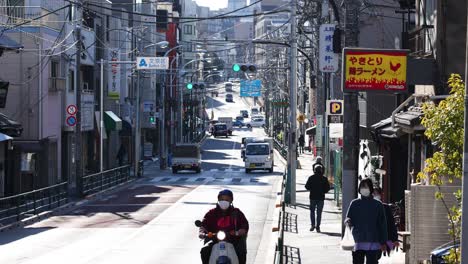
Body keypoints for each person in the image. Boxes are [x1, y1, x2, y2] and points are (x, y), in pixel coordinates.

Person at [199, 189, 249, 264]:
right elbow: (204, 224)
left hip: (233, 241)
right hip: (215, 240)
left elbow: (244, 225)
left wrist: (238, 232)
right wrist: (202, 233)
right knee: (204, 251)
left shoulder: (237, 213)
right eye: (221, 199)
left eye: (227, 199)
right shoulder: (211, 213)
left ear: (231, 201)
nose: (224, 201)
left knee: (241, 253)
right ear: (218, 200)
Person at [345, 178, 388, 264]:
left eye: (366, 186)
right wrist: (347, 221)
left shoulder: (378, 205)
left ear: (370, 188)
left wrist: (383, 242)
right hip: (358, 241)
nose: (363, 188)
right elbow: (348, 218)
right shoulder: (354, 203)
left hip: (373, 241)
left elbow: (382, 224)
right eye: (362, 186)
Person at [373, 187, 399, 259]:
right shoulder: (368, 208)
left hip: (382, 239)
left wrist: (394, 239)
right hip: (371, 238)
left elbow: (391, 224)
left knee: (376, 257)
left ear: (381, 195)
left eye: (377, 193)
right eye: (374, 194)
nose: (375, 195)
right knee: (374, 258)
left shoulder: (386, 207)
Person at [305, 165, 330, 232]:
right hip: (321, 198)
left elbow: (307, 186)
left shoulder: (311, 178)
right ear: (321, 170)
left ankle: (312, 225)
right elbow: (327, 188)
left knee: (312, 211)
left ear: (314, 170)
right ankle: (318, 227)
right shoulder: (324, 178)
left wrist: (312, 189)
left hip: (312, 197)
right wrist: (323, 191)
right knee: (319, 213)